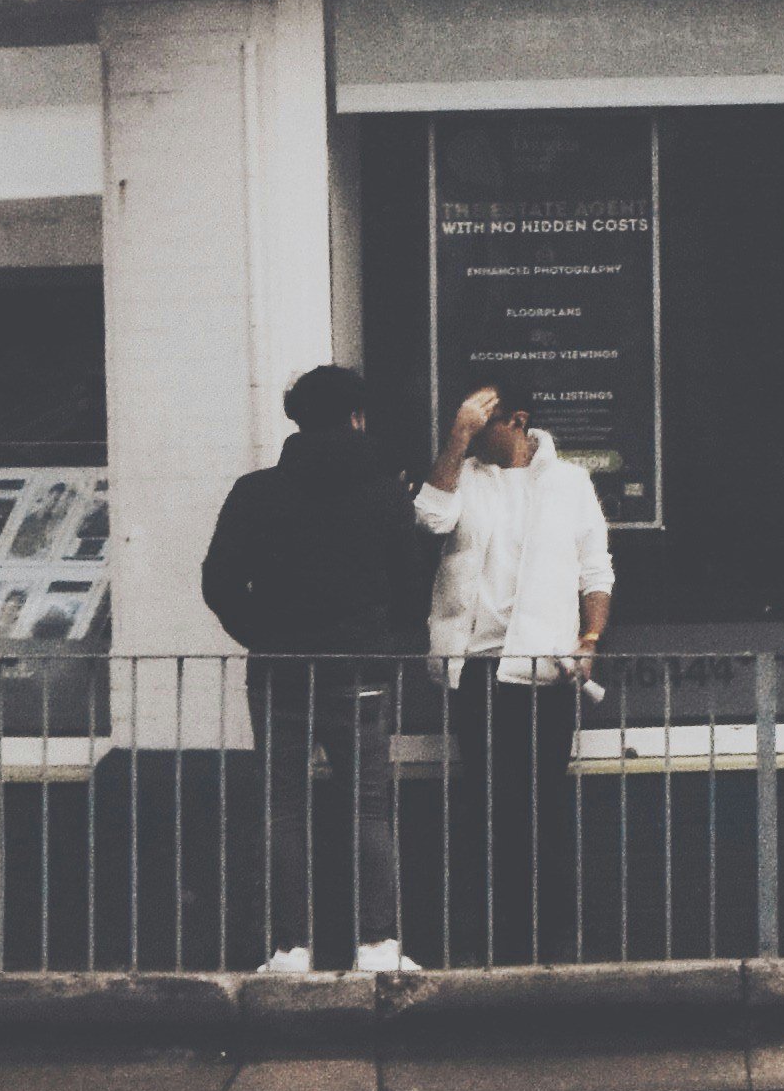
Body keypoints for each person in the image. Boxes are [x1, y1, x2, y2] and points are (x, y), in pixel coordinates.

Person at [201, 365, 425, 974]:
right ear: (356, 417)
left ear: (296, 419)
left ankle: (290, 949)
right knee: (369, 809)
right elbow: (411, 590)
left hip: (278, 673)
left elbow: (219, 583)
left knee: (283, 810)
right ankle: (378, 945)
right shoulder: (384, 495)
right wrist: (377, 635)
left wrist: (265, 636)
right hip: (361, 673)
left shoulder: (255, 492)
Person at [413, 388, 614, 962]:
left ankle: (550, 941)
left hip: (544, 668)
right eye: (466, 428)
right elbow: (428, 520)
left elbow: (596, 568)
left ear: (517, 421)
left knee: (544, 805)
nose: (474, 436)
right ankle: (493, 942)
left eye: (482, 425)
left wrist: (590, 637)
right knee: (485, 805)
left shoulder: (570, 483)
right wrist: (454, 441)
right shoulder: (466, 476)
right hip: (476, 668)